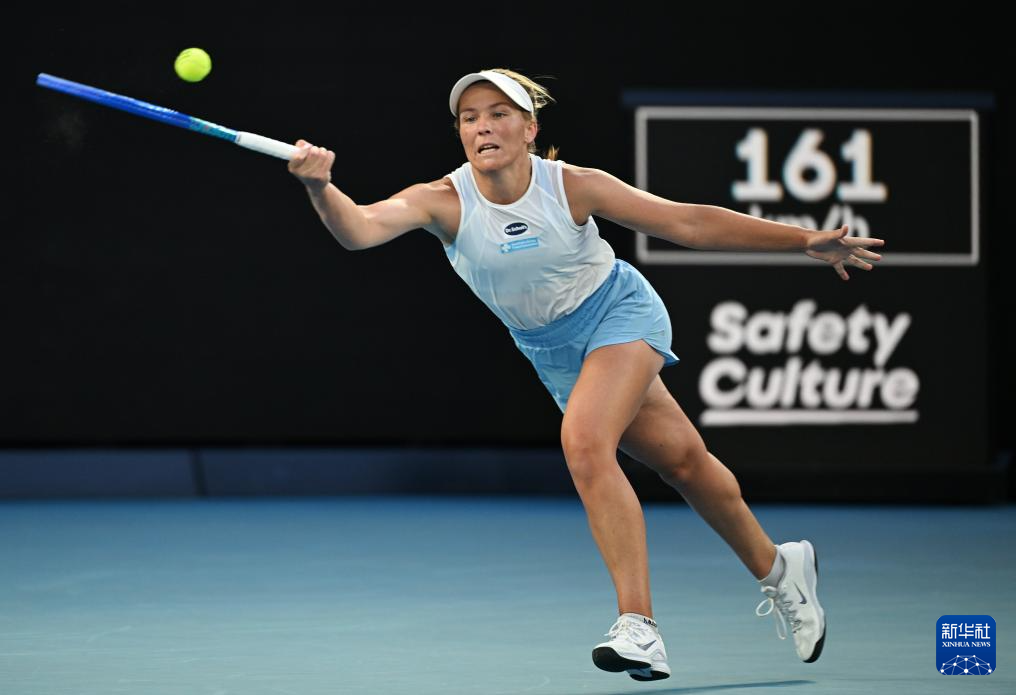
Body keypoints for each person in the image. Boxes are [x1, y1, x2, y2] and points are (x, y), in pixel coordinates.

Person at [287, 68, 884, 682]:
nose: (483, 127)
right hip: (551, 351)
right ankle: (781, 568)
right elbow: (359, 229)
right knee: (684, 463)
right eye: (469, 118)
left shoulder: (573, 185)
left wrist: (802, 240)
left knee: (584, 443)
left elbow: (688, 222)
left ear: (529, 128)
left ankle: (638, 626)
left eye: (498, 114)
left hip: (618, 313)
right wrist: (319, 187)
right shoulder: (441, 199)